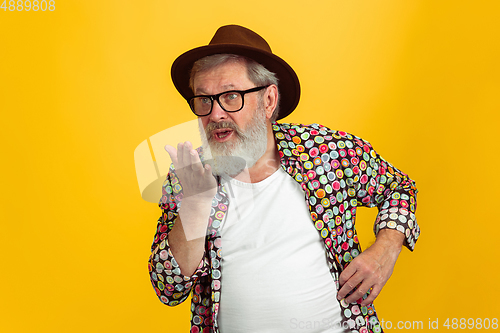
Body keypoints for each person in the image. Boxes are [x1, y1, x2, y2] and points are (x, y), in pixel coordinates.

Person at [148, 25, 419, 333]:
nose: (215, 114)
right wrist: (195, 206)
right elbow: (169, 288)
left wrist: (386, 248)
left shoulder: (326, 151)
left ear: (268, 100)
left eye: (231, 96)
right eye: (204, 100)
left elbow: (398, 189)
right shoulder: (190, 174)